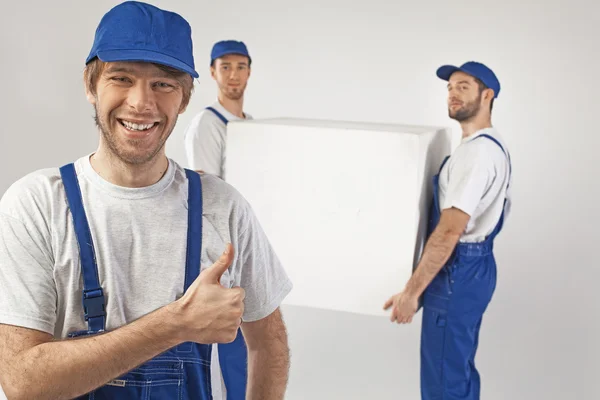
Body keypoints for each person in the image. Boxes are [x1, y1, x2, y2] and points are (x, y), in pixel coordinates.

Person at [0, 2, 292, 400]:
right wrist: (177, 323)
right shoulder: (35, 205)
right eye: (121, 78)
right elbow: (22, 382)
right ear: (91, 86)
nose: (141, 102)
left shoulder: (223, 207)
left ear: (184, 98)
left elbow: (269, 340)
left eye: (164, 84)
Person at [384, 61, 512, 400]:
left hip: (458, 270)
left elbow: (449, 232)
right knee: (458, 369)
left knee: (444, 379)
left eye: (464, 86)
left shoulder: (478, 154)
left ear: (488, 95)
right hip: (475, 268)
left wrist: (411, 293)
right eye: (450, 87)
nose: (453, 93)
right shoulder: (486, 144)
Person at [184, 40, 253, 180]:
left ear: (248, 72)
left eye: (240, 67)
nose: (234, 75)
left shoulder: (251, 123)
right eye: (225, 67)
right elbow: (208, 193)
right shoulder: (206, 124)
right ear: (213, 72)